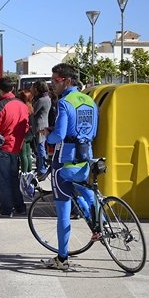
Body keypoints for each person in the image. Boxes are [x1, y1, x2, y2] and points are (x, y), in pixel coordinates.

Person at [40, 63, 98, 270]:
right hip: (85, 157)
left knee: (63, 211)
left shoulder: (65, 103)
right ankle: (98, 225)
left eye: (55, 80)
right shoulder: (90, 101)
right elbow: (93, 131)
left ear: (67, 81)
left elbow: (60, 135)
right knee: (84, 191)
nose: (52, 85)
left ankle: (62, 258)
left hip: (64, 161)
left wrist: (47, 136)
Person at [0, 76, 30, 217]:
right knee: (13, 178)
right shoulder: (22, 104)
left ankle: (6, 208)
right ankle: (20, 207)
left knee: (4, 180)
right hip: (16, 146)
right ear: (13, 88)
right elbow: (26, 126)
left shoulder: (0, 105)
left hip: (2, 146)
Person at [31, 80, 52, 180]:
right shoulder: (47, 98)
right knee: (41, 146)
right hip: (44, 124)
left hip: (39, 126)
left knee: (40, 147)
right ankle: (41, 166)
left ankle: (42, 168)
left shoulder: (41, 100)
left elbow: (33, 111)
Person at [17, 89, 34, 173]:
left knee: (23, 155)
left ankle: (24, 173)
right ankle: (29, 172)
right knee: (28, 154)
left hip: (23, 133)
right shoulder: (30, 107)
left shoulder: (22, 108)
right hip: (30, 133)